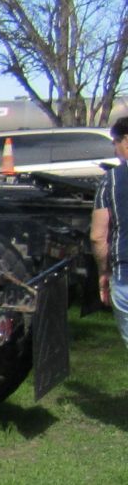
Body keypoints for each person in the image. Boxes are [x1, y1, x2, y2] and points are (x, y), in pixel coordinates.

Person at [89, 116, 128, 344]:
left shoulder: (113, 181)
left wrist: (103, 272)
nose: (115, 149)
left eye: (116, 142)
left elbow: (97, 236)